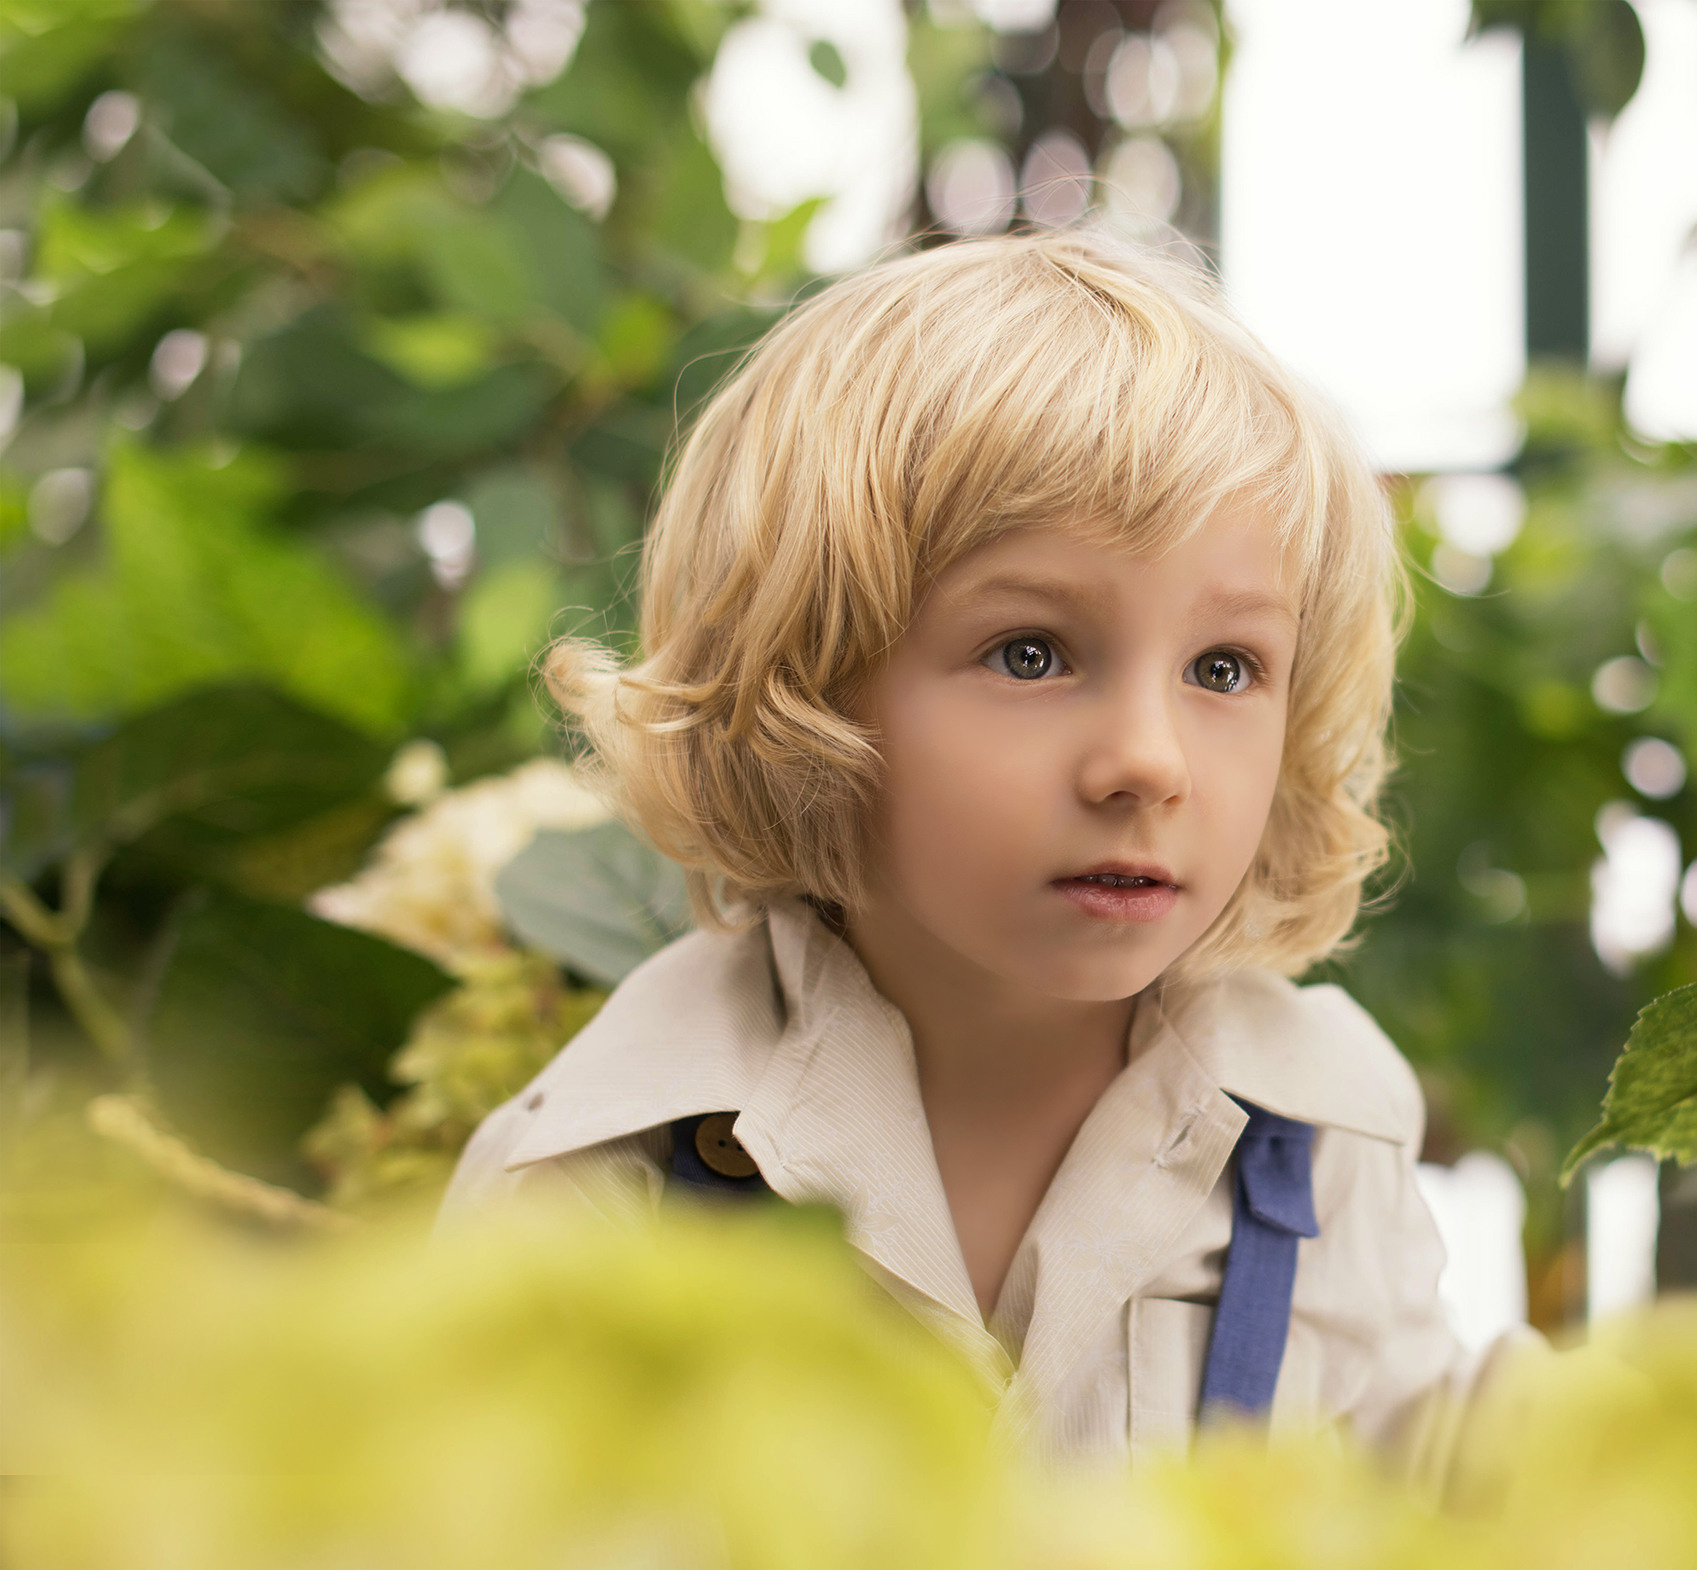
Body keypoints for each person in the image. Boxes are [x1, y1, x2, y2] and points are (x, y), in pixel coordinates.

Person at [439, 230, 1474, 1476]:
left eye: (1223, 668)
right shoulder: (606, 1177)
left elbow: (1427, 1535)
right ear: (804, 685)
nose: (1149, 761)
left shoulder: (1322, 1137)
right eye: (1030, 653)